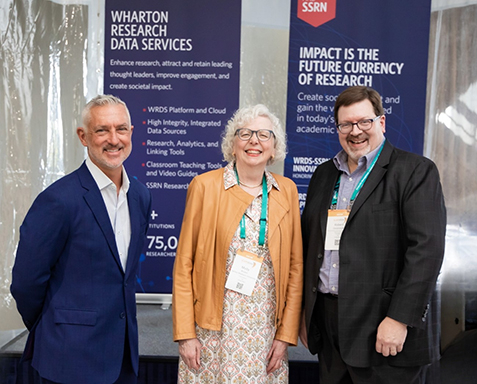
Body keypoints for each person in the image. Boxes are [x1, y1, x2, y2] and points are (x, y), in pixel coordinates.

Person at [300, 86, 446, 384]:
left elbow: (426, 251)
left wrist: (399, 319)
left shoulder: (415, 172)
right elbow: (310, 246)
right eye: (346, 124)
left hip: (384, 327)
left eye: (364, 122)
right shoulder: (324, 175)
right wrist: (307, 314)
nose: (355, 131)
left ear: (381, 122)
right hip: (329, 326)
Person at [10, 95, 152, 384]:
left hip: (123, 360)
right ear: (83, 136)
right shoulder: (58, 200)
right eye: (102, 130)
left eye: (121, 129)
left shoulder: (140, 196)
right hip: (69, 358)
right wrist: (56, 326)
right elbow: (26, 282)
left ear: (132, 133)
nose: (114, 139)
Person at [172, 104, 303, 383]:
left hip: (265, 336)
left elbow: (295, 268)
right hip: (210, 333)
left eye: (264, 135)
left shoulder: (287, 191)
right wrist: (185, 334)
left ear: (274, 147)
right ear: (232, 145)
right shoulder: (204, 187)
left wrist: (285, 336)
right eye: (245, 133)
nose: (254, 141)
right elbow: (184, 264)